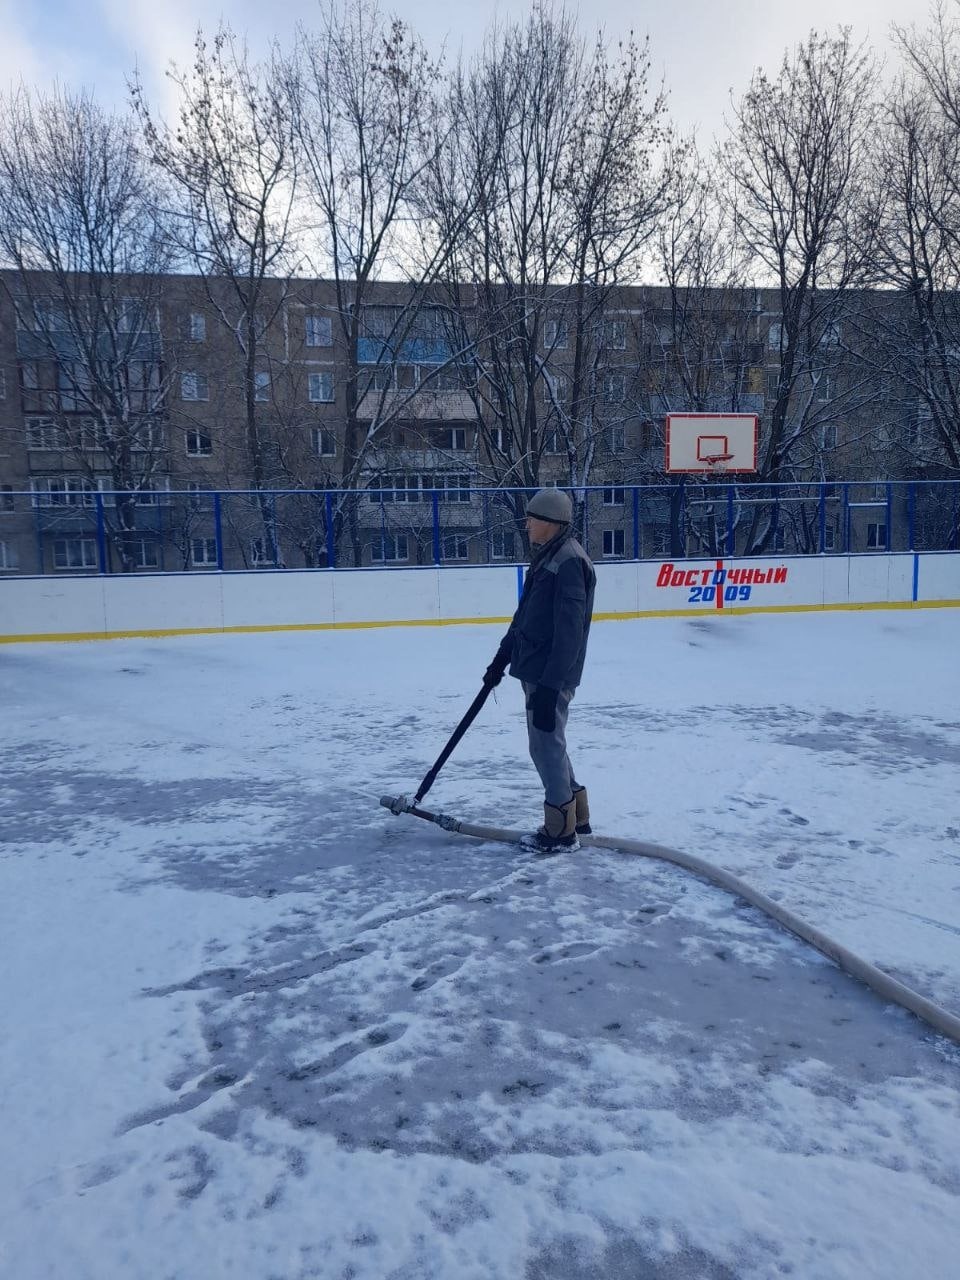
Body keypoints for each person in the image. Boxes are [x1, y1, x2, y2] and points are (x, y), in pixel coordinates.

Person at [483, 487, 596, 853]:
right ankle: (577, 814)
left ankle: (560, 830)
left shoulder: (568, 562)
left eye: (533, 517)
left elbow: (570, 633)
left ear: (551, 522)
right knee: (551, 743)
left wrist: (550, 686)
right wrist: (501, 658)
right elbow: (525, 617)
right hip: (535, 667)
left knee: (544, 745)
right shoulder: (548, 556)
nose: (527, 523)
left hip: (551, 674)